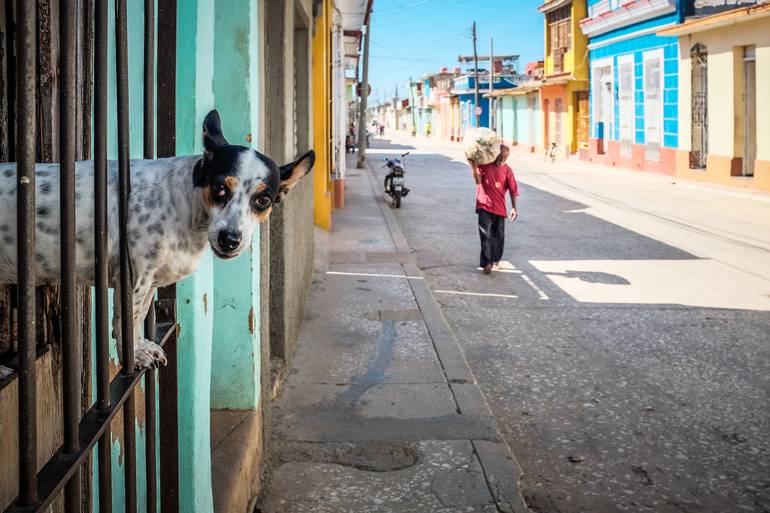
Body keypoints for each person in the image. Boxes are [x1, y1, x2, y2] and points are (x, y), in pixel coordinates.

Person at [467, 145, 518, 274]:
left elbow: (513, 190)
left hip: (500, 208)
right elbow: (478, 181)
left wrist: (514, 208)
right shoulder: (485, 166)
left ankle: (495, 261)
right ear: (495, 154)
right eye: (500, 156)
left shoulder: (507, 171)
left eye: (505, 157)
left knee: (499, 236)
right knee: (486, 234)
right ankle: (486, 263)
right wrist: (473, 166)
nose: (502, 159)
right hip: (484, 204)